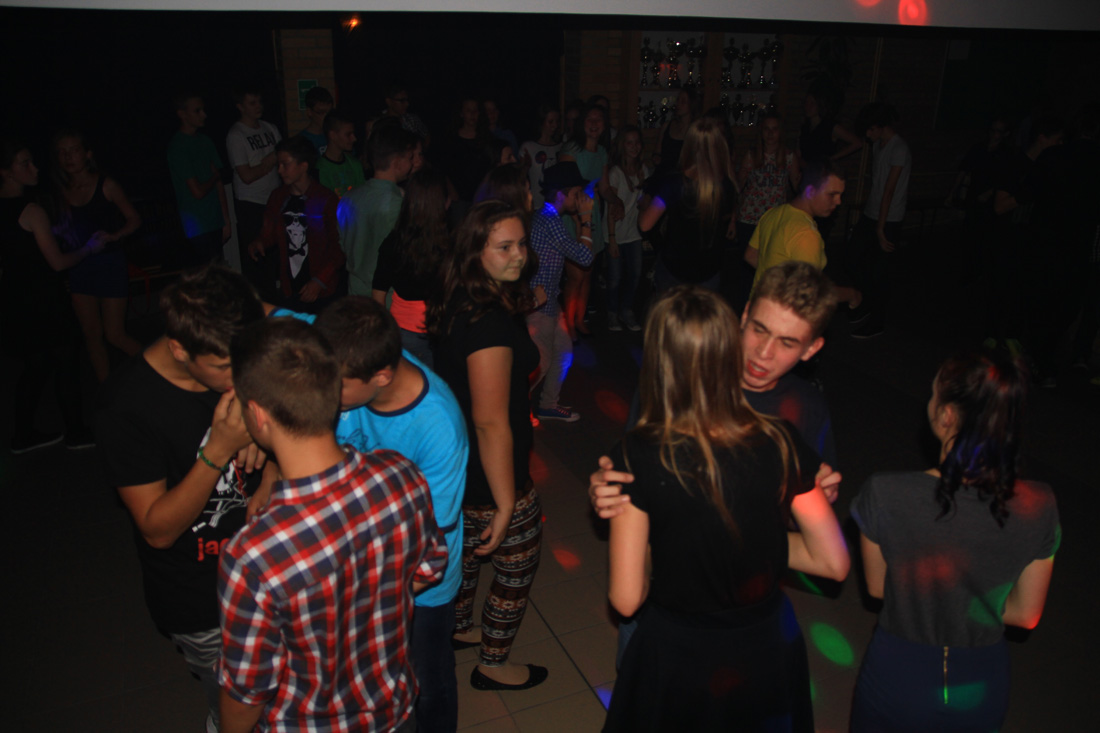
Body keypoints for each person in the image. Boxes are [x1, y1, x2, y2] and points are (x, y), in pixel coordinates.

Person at [601, 286, 849, 731]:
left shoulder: (638, 452)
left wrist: (688, 544)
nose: (764, 352)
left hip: (681, 647)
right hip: (763, 641)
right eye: (759, 331)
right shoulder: (782, 438)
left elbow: (625, 598)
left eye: (786, 342)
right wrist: (744, 541)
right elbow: (832, 561)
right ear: (736, 330)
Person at [219, 317, 446, 733]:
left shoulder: (252, 555)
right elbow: (430, 567)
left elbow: (248, 692)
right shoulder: (401, 475)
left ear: (257, 414)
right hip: (395, 715)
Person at [850, 350, 1059, 732]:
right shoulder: (1040, 505)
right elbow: (1026, 615)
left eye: (933, 394)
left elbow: (879, 589)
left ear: (946, 415)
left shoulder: (885, 493)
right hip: (981, 680)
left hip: (899, 672)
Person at [95, 264, 266, 732]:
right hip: (202, 599)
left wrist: (268, 458)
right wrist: (218, 450)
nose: (241, 376)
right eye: (225, 367)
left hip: (266, 576)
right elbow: (157, 529)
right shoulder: (126, 406)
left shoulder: (235, 359)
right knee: (236, 712)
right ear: (179, 348)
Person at [427, 200, 548, 691]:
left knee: (468, 551)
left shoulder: (464, 295)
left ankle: (459, 626)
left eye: (522, 244)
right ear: (476, 251)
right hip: (489, 469)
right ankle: (493, 663)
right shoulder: (489, 324)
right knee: (517, 562)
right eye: (504, 247)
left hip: (459, 463)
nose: (519, 255)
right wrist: (506, 501)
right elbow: (491, 422)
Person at [3, 138, 102, 453]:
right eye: (25, 163)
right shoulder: (31, 210)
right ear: (6, 171)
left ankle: (22, 435)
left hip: (16, 299)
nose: (35, 168)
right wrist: (89, 249)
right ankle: (76, 431)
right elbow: (57, 263)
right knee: (66, 360)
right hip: (44, 299)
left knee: (37, 364)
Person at [51, 129, 143, 382]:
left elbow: (134, 219)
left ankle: (164, 373)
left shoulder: (106, 185)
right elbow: (61, 229)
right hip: (79, 265)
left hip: (109, 263)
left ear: (87, 154)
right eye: (62, 152)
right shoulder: (60, 191)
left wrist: (115, 235)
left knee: (115, 334)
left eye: (74, 150)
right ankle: (106, 390)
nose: (68, 157)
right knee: (91, 335)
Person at [528, 162, 595, 422]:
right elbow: (584, 257)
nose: (580, 199)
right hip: (538, 305)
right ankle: (515, 408)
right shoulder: (549, 220)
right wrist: (586, 220)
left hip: (549, 302)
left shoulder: (549, 217)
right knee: (541, 363)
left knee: (564, 353)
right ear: (560, 194)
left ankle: (548, 405)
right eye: (576, 193)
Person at [248, 136, 346, 314]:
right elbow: (269, 232)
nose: (280, 170)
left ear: (303, 166)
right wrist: (260, 242)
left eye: (285, 164)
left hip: (322, 290)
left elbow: (338, 246)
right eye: (278, 165)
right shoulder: (278, 197)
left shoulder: (325, 199)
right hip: (291, 288)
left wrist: (320, 280)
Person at [639, 117, 736, 294]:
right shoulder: (727, 186)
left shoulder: (674, 183)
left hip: (675, 272)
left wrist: (643, 204)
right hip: (709, 272)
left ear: (689, 145)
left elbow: (645, 224)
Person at [845, 102, 912, 339]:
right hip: (871, 214)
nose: (867, 136)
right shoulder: (877, 146)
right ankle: (866, 302)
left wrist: (881, 229)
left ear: (880, 126)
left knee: (880, 272)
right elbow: (877, 184)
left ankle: (877, 321)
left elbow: (888, 191)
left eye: (869, 130)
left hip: (889, 219)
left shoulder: (899, 149)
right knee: (853, 258)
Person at [372, 168, 452, 366]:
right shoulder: (449, 244)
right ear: (442, 202)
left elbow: (378, 294)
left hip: (403, 331)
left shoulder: (394, 241)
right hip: (439, 330)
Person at [559, 103, 623, 338]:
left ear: (604, 125)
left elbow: (604, 187)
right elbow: (564, 188)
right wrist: (578, 218)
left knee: (587, 273)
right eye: (590, 119)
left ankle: (579, 319)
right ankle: (567, 324)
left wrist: (617, 200)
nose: (594, 123)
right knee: (575, 275)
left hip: (592, 212)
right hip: (573, 214)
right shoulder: (571, 149)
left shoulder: (602, 152)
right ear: (581, 123)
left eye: (599, 119)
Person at [744, 158, 846, 293]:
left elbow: (750, 255)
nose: (838, 201)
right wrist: (850, 294)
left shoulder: (773, 213)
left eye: (840, 195)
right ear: (810, 191)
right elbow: (810, 291)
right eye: (832, 194)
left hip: (759, 301)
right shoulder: (806, 235)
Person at [338, 124, 416, 296]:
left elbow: (343, 246)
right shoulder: (398, 204)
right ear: (397, 162)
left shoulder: (348, 199)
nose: (412, 163)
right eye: (410, 158)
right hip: (387, 297)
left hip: (356, 293)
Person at [734, 111, 800, 304]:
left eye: (774, 129)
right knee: (748, 268)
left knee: (771, 266)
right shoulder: (752, 155)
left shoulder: (788, 157)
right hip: (749, 218)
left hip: (774, 220)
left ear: (780, 132)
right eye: (766, 129)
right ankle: (746, 307)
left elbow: (798, 187)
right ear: (761, 132)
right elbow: (738, 187)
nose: (770, 134)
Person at [225, 86, 282, 300]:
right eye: (252, 103)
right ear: (240, 107)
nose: (258, 106)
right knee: (256, 256)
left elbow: (284, 157)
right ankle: (258, 302)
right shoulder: (236, 135)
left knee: (274, 252)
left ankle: (274, 298)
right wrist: (269, 161)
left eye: (259, 101)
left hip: (274, 200)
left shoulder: (270, 128)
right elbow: (246, 175)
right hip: (251, 202)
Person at [167, 91, 231, 266]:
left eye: (203, 110)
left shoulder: (205, 141)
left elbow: (219, 183)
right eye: (197, 111)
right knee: (207, 272)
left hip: (214, 220)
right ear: (182, 114)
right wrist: (215, 176)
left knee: (218, 270)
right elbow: (197, 191)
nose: (204, 115)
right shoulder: (178, 147)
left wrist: (226, 219)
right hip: (197, 225)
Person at [605, 125, 650, 331]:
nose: (634, 147)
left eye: (637, 142)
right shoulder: (615, 172)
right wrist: (612, 238)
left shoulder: (643, 170)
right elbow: (611, 207)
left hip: (634, 232)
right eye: (629, 143)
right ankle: (612, 312)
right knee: (615, 278)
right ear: (622, 145)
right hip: (616, 232)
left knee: (635, 274)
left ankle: (626, 310)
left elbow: (644, 203)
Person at [519, 104, 562, 211]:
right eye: (550, 121)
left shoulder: (561, 147)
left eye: (557, 121)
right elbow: (519, 179)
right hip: (535, 206)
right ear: (541, 122)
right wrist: (525, 166)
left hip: (557, 207)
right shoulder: (528, 147)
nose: (555, 125)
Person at [316, 108, 366, 198]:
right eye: (348, 134)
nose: (354, 139)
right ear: (333, 135)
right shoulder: (320, 169)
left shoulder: (355, 164)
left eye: (353, 134)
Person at [653, 88, 697, 176]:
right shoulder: (667, 126)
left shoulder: (695, 130)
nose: (678, 104)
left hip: (684, 176)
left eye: (683, 102)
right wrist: (656, 158)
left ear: (692, 105)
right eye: (678, 100)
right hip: (664, 174)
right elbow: (657, 152)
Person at [382, 82, 431, 147]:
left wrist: (420, 151)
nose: (407, 104)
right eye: (402, 101)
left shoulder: (412, 119)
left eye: (407, 100)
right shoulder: (378, 123)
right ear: (389, 101)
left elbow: (426, 135)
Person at [298, 85, 334, 156]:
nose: (326, 117)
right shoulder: (302, 141)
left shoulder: (335, 136)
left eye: (329, 112)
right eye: (321, 112)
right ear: (309, 112)